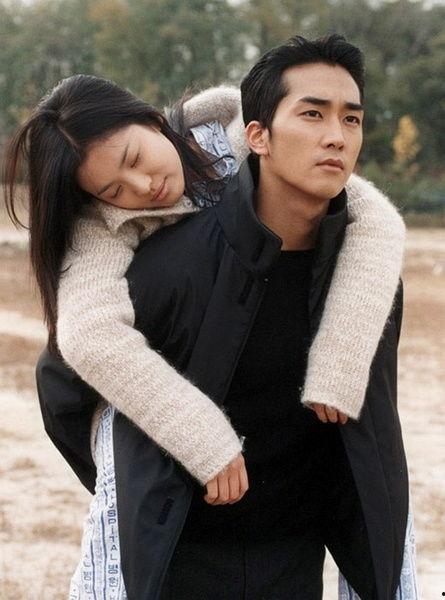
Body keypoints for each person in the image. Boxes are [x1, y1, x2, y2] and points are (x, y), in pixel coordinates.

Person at [2, 35, 416, 600]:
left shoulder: (231, 139)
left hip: (290, 538)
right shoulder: (106, 231)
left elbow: (374, 215)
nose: (144, 187)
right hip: (190, 532)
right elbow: (86, 342)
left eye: (135, 159)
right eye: (114, 189)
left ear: (153, 120)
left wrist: (337, 364)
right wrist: (193, 446)